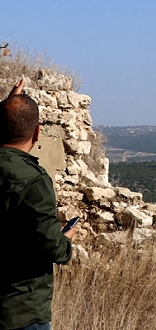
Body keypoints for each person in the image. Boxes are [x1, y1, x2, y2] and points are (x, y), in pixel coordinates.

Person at [0, 79, 76, 330]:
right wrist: (66, 240)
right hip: (20, 311)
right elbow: (54, 248)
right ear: (37, 132)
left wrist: (8, 105)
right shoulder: (34, 180)